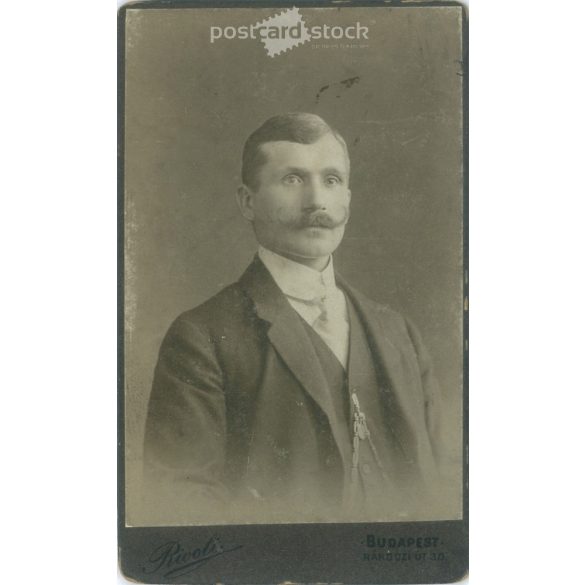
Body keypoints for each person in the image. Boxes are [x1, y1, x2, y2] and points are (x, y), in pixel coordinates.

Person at [142, 112, 445, 525]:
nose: (317, 201)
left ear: (348, 200)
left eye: (332, 180)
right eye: (293, 179)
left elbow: (446, 485)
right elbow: (181, 503)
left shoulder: (399, 333)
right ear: (247, 201)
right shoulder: (202, 337)